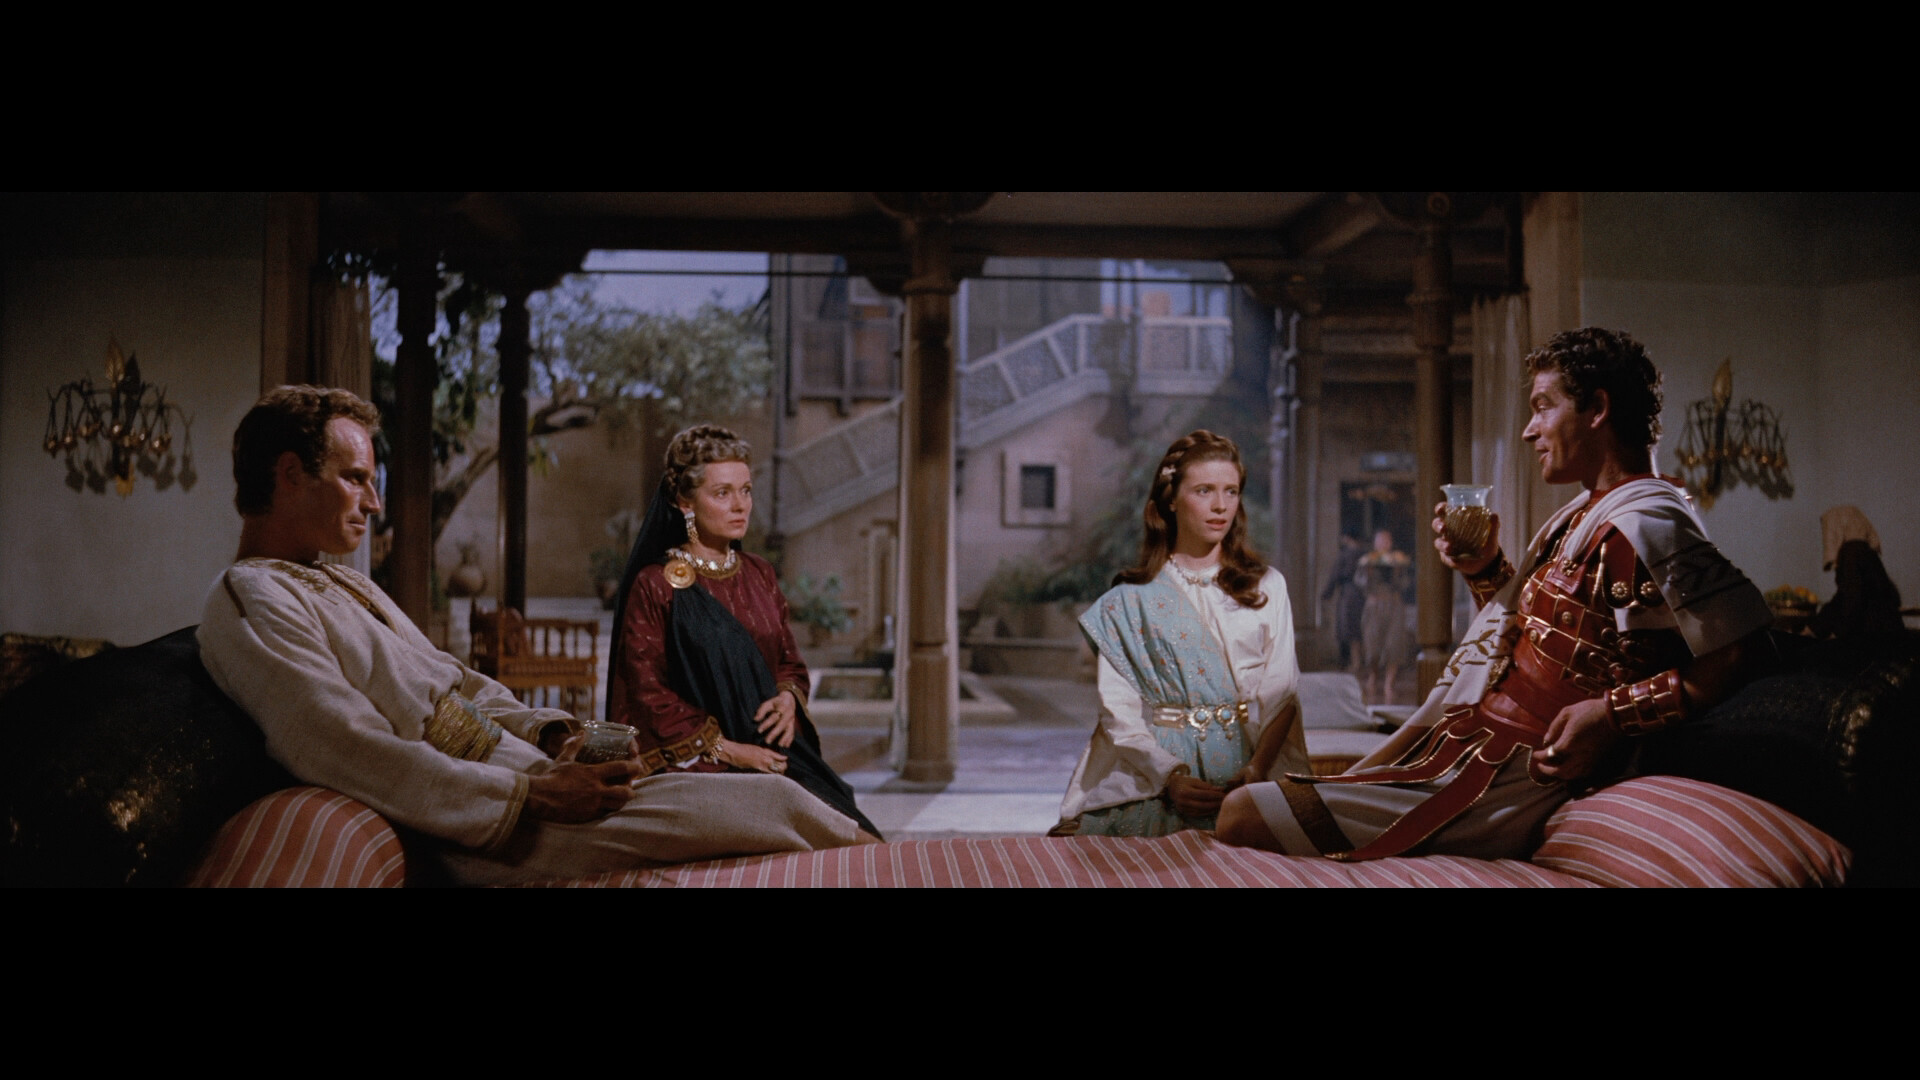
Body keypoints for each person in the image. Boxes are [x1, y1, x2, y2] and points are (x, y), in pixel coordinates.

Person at [198, 388, 865, 886]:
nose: (373, 503)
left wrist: (556, 735)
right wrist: (532, 796)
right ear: (290, 474)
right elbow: (339, 742)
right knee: (771, 804)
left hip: (521, 775)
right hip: (480, 824)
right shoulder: (250, 596)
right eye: (356, 479)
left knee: (777, 794)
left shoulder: (345, 583)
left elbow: (460, 685)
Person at [1217, 328, 1775, 861]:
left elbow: (1742, 652)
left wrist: (1610, 715)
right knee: (1251, 803)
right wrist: (1485, 568)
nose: (1530, 431)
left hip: (1516, 774)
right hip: (1468, 745)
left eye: (1543, 407)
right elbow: (1541, 638)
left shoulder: (1649, 519)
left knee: (1243, 813)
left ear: (1598, 409)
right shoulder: (1582, 515)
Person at [608, 424, 881, 840]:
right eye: (722, 493)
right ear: (685, 502)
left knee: (860, 839)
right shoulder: (657, 584)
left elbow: (788, 660)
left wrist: (788, 700)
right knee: (820, 838)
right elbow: (648, 692)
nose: (740, 506)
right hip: (699, 763)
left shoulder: (759, 573)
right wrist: (730, 751)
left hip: (777, 753)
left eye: (746, 490)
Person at [1053, 431, 1311, 837]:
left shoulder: (1266, 586)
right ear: (1171, 500)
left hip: (1250, 767)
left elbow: (1282, 692)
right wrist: (1169, 778)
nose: (1220, 505)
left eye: (1231, 491)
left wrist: (1257, 769)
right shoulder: (1129, 601)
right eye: (1204, 491)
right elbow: (1119, 715)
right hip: (1162, 773)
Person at [1353, 527, 1412, 704]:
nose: (1383, 544)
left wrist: (1397, 570)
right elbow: (1360, 582)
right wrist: (1368, 572)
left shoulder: (1398, 560)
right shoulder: (1367, 561)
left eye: (1386, 540)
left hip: (1393, 604)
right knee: (1373, 645)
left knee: (1393, 645)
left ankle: (1389, 683)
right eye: (1380, 540)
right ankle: (1373, 676)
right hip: (1374, 605)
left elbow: (1405, 584)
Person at [1321, 533, 1365, 669]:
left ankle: (1355, 662)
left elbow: (1334, 575)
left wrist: (1326, 594)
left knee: (1350, 629)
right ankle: (1358, 662)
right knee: (1358, 629)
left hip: (1349, 594)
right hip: (1364, 595)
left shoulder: (1345, 555)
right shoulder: (1364, 554)